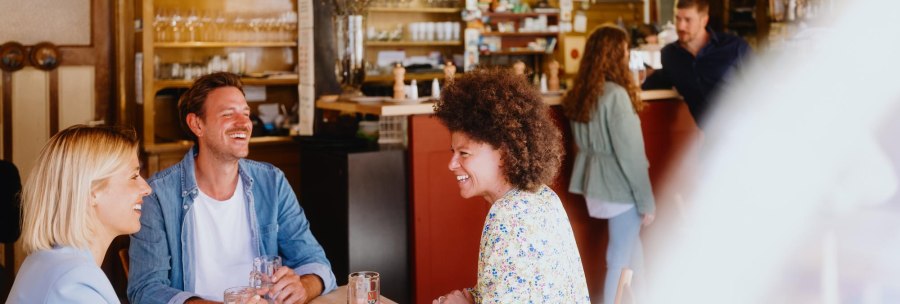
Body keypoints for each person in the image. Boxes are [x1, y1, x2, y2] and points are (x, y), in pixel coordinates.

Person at [128, 72, 336, 304]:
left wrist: (304, 286)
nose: (244, 123)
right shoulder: (157, 196)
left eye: (246, 113)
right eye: (228, 114)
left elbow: (317, 263)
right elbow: (145, 289)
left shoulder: (272, 183)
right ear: (197, 124)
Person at [431, 68, 591, 303]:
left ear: (504, 153)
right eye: (453, 152)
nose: (452, 164)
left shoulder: (508, 216)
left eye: (464, 153)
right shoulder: (542, 196)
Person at [562, 24, 657, 304]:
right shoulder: (615, 95)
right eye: (626, 52)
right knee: (618, 257)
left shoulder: (581, 92)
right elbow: (631, 156)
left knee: (632, 250)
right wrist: (647, 201)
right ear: (616, 56)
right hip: (618, 185)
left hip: (594, 184)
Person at [7, 125, 153, 303]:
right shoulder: (73, 285)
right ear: (92, 191)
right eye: (133, 176)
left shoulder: (43, 262)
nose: (147, 188)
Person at [642, 0, 751, 128]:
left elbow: (763, 87)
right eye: (677, 18)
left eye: (688, 20)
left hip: (749, 132)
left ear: (704, 20)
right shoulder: (670, 55)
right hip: (714, 139)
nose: (681, 26)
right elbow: (657, 80)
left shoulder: (734, 47)